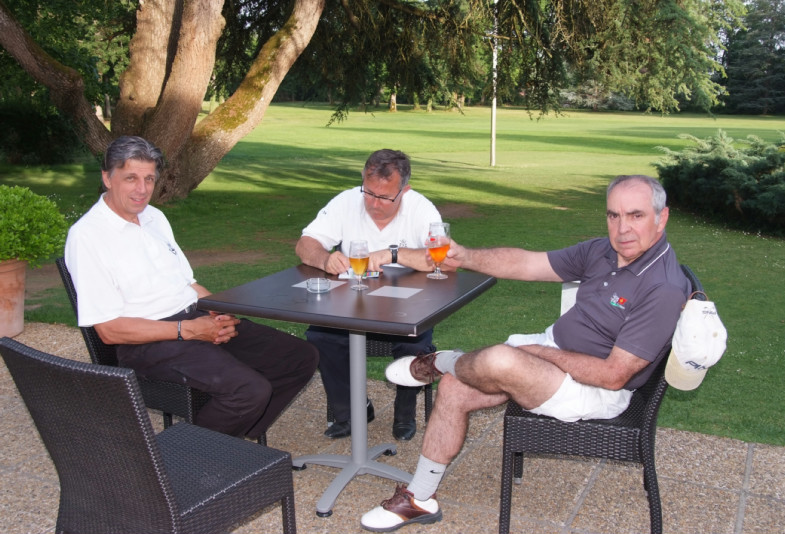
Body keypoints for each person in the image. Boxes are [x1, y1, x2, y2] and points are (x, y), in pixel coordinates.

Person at [360, 174, 691, 531]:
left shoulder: (663, 287)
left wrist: (539, 353)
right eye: (614, 215)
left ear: (662, 217)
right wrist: (465, 256)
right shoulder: (603, 251)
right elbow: (527, 264)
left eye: (636, 215)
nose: (622, 228)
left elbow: (612, 376)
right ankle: (420, 499)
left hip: (594, 389)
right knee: (455, 388)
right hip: (553, 352)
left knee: (501, 360)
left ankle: (441, 361)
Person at [65, 136, 319, 440]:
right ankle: (187, 456)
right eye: (131, 178)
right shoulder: (87, 236)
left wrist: (219, 311)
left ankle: (235, 438)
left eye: (149, 179)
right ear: (108, 178)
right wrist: (187, 330)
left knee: (299, 356)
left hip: (194, 317)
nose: (142, 189)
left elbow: (187, 283)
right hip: (147, 341)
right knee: (249, 391)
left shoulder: (154, 217)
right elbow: (109, 330)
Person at [296, 148, 442, 441]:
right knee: (321, 336)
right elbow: (305, 244)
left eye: (384, 197)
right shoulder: (346, 201)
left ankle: (404, 412)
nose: (374, 204)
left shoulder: (421, 209)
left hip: (407, 302)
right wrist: (324, 259)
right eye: (369, 192)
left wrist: (393, 254)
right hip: (353, 301)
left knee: (414, 340)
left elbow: (441, 260)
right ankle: (351, 411)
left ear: (404, 190)